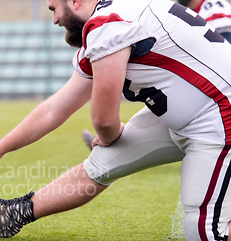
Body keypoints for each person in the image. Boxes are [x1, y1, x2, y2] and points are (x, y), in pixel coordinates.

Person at [0, 0, 231, 241]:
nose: (54, 19)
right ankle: (11, 215)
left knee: (206, 236)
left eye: (54, 8)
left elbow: (104, 120)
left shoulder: (106, 25)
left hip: (218, 113)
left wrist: (109, 134)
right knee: (104, 161)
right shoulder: (116, 15)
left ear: (76, 1)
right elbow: (54, 109)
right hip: (199, 105)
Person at [81, 0, 231, 149]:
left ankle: (114, 147)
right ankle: (112, 149)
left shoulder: (214, 8)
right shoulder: (178, 9)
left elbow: (223, 58)